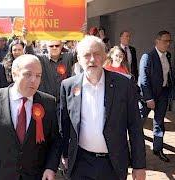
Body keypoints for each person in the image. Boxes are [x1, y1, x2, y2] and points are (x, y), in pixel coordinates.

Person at [60, 35, 146, 180]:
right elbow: (64, 126)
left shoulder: (124, 84)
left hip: (113, 163)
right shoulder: (68, 86)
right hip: (81, 163)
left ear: (105, 57)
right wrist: (65, 155)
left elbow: (135, 127)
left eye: (97, 54)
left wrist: (139, 165)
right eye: (86, 55)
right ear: (79, 60)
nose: (92, 59)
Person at [0, 54, 61, 180]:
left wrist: (50, 167)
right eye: (28, 74)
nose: (34, 80)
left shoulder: (48, 103)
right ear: (14, 74)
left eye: (38, 75)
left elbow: (55, 141)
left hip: (36, 176)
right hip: (1, 175)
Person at [138, 30, 175, 162]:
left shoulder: (168, 55)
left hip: (163, 95)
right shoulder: (147, 56)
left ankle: (158, 149)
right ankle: (133, 150)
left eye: (169, 41)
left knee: (159, 123)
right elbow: (143, 79)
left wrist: (171, 90)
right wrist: (148, 98)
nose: (168, 44)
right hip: (148, 96)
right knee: (138, 122)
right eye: (165, 41)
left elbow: (168, 75)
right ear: (157, 41)